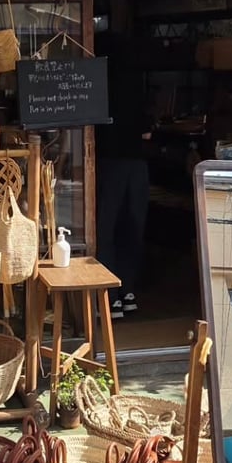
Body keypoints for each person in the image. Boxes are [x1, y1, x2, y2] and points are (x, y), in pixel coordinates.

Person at [96, 29, 152, 317]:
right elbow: (147, 132)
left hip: (108, 162)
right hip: (137, 164)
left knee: (105, 229)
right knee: (132, 228)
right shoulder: (136, 80)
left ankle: (110, 295)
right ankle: (128, 290)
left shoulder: (98, 80)